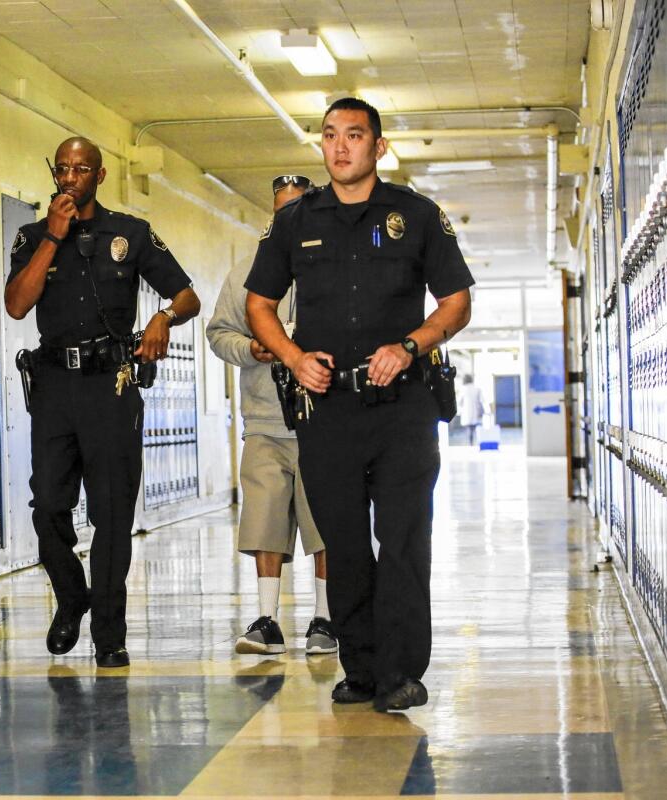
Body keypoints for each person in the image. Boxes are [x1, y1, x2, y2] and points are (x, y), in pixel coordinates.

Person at [245, 97, 473, 712]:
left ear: (378, 146)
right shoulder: (294, 222)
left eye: (354, 135)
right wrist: (293, 357)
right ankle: (361, 667)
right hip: (327, 409)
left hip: (403, 407)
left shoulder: (416, 215)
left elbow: (456, 302)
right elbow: (258, 306)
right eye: (329, 136)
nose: (340, 146)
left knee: (401, 540)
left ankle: (401, 671)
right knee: (342, 543)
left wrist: (410, 344)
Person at [5, 137, 200, 668]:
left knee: (112, 514)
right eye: (62, 168)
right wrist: (53, 236)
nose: (70, 178)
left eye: (81, 169)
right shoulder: (30, 237)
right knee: (47, 503)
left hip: (111, 384)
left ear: (99, 175)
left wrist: (162, 318)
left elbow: (187, 295)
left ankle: (109, 634)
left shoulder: (130, 233)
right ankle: (71, 597)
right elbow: (17, 304)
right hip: (54, 387)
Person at [206, 174, 337, 657]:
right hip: (265, 419)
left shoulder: (335, 267)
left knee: (326, 521)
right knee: (263, 518)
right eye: (282, 210)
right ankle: (267, 620)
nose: (290, 218)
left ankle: (325, 619)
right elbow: (218, 332)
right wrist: (252, 349)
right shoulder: (247, 272)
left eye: (298, 209)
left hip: (325, 420)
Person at [457, 374, 485, 444]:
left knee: (469, 428)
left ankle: (471, 442)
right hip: (476, 411)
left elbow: (459, 402)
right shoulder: (477, 389)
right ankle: (477, 441)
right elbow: (482, 400)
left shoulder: (463, 389)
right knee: (475, 427)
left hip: (466, 412)